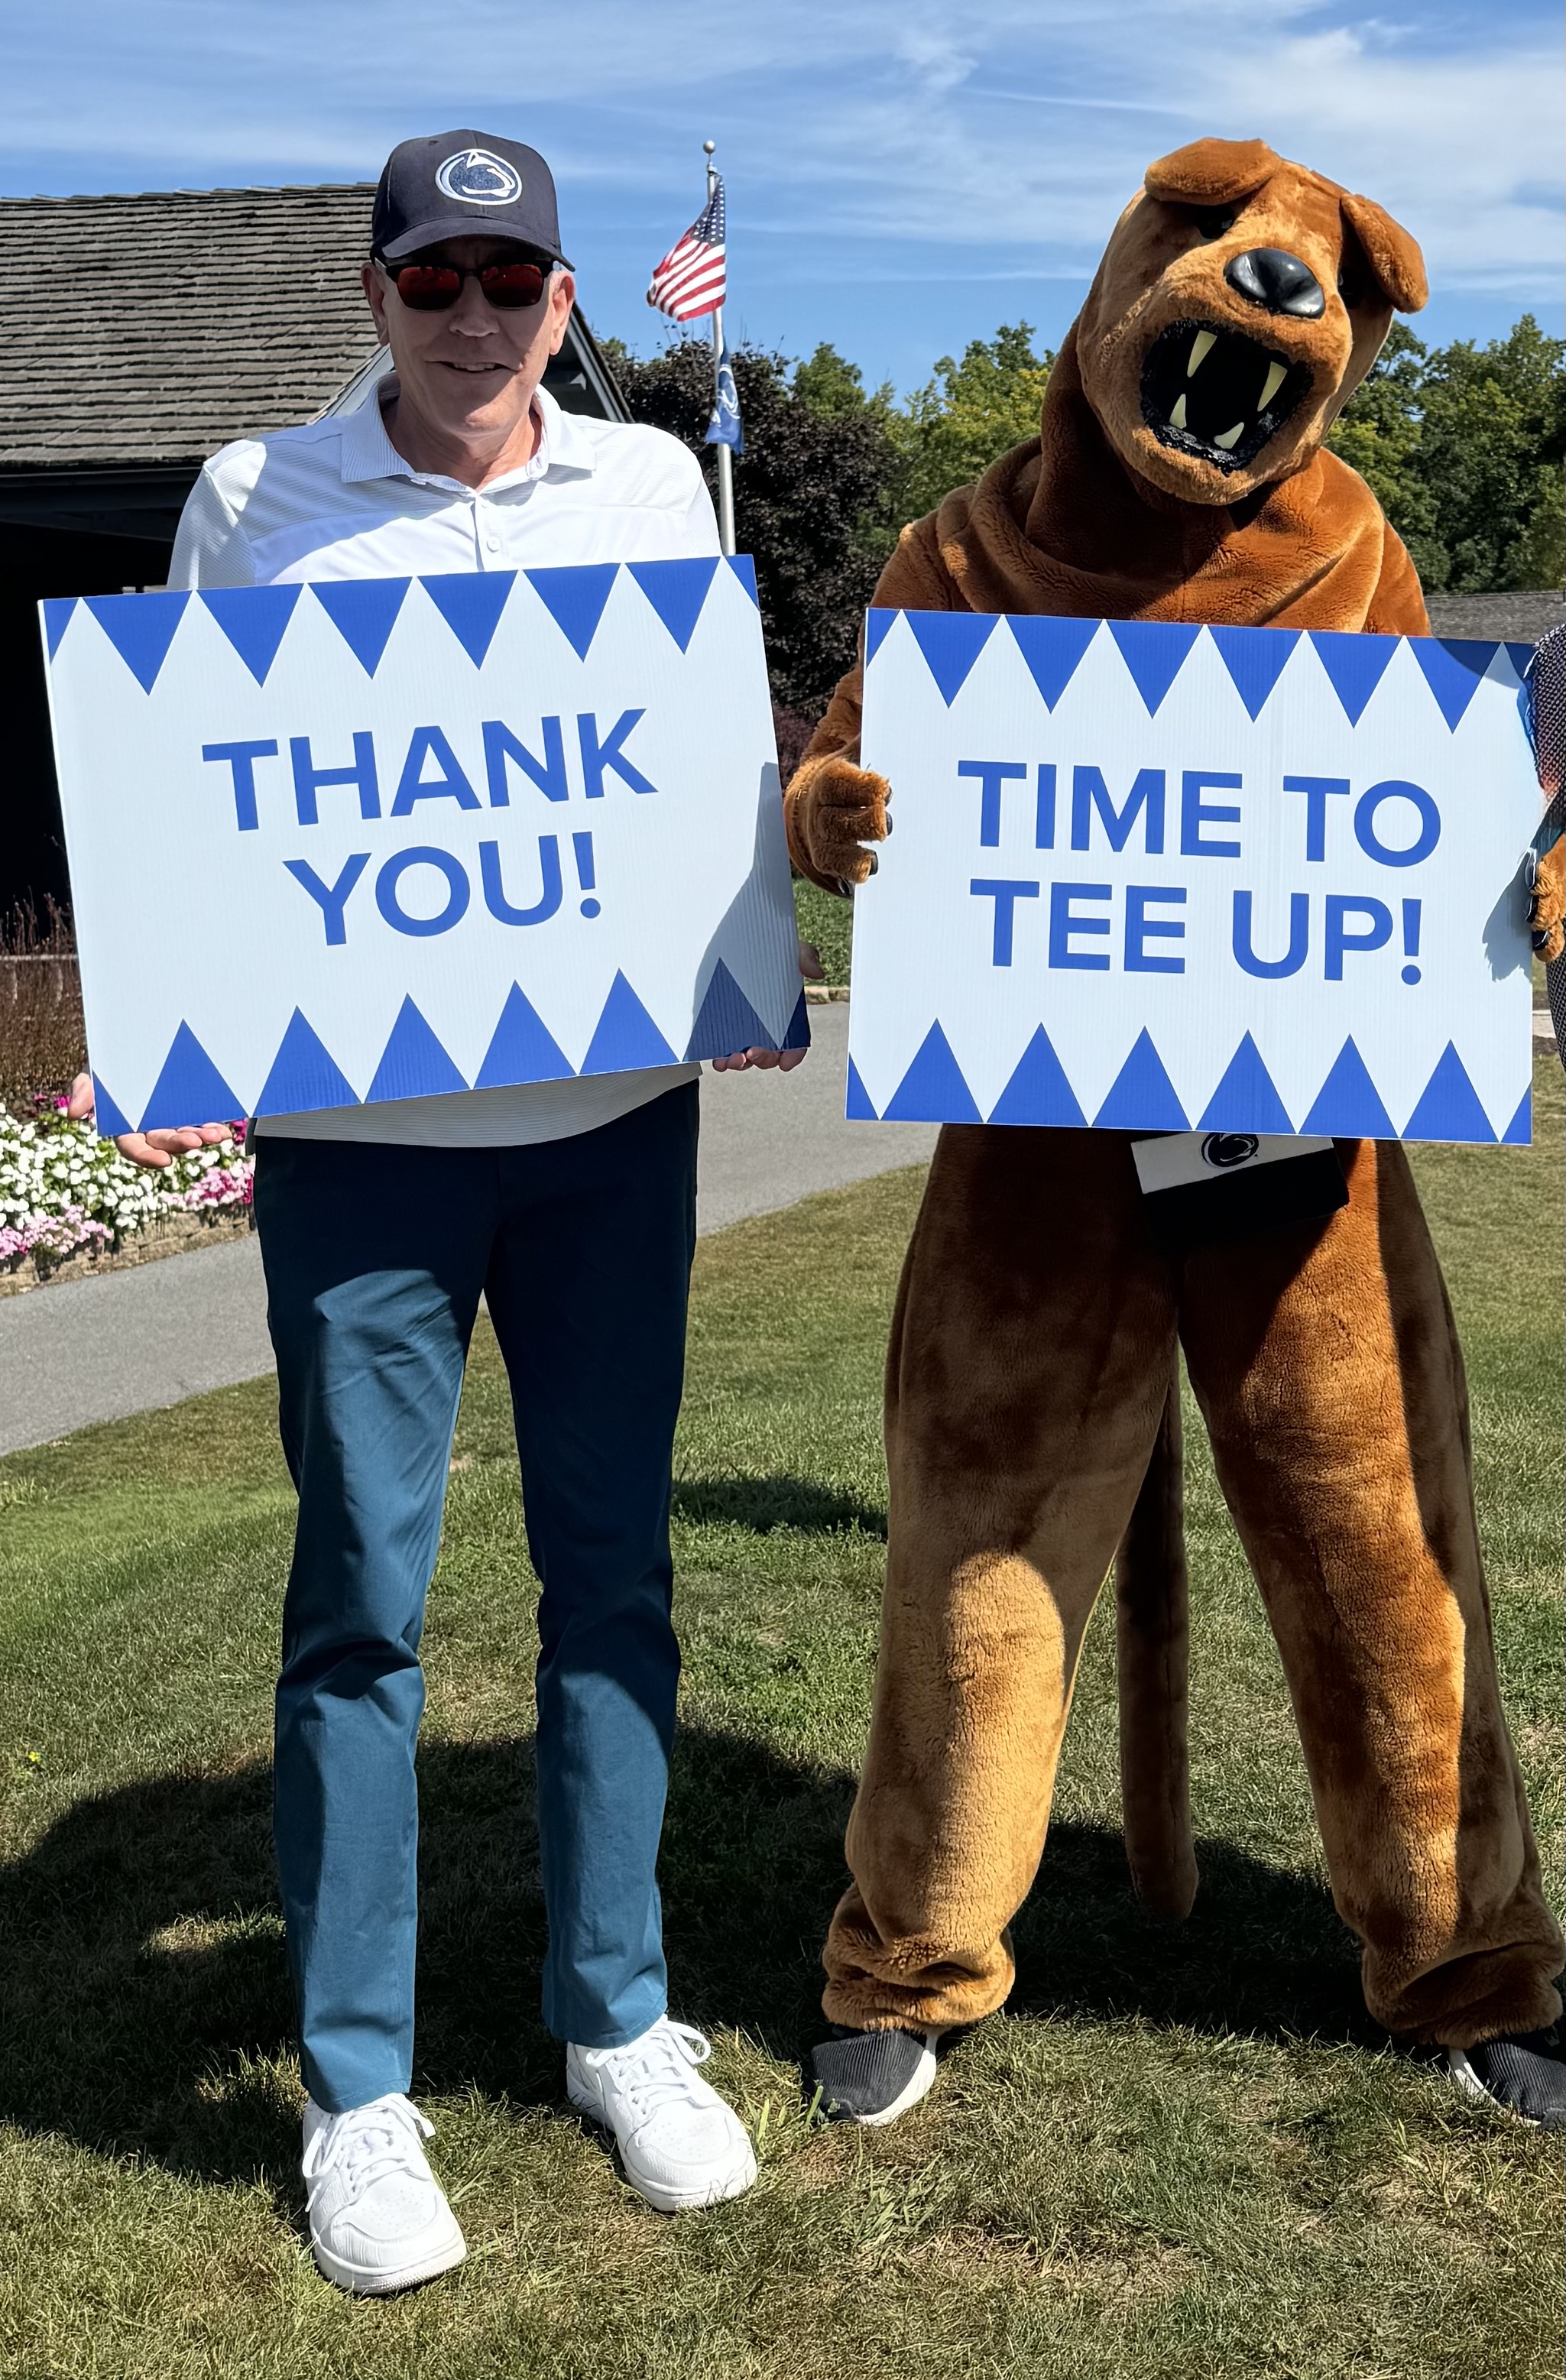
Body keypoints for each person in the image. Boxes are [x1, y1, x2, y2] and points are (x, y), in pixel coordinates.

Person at [71, 127, 815, 2294]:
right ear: (372, 294)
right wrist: (165, 1017)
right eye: (433, 280)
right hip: (362, 1158)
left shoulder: (649, 488)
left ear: (567, 304)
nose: (472, 315)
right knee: (360, 1607)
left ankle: (615, 2015)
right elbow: (194, 796)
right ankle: (359, 2089)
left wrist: (743, 951)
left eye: (511, 280)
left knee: (616, 1578)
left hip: (606, 1129)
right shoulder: (247, 498)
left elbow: (686, 756)